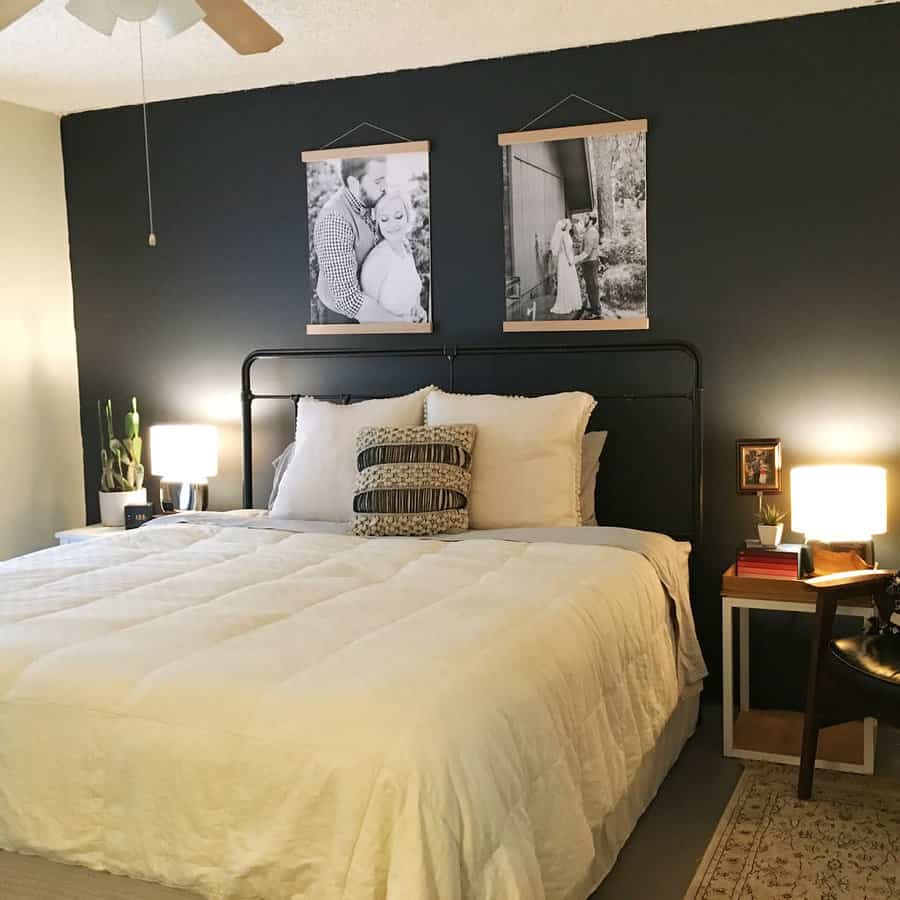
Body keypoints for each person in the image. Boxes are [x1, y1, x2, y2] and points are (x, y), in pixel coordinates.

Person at [312, 156, 403, 324]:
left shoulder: (372, 199)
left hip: (376, 309)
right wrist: (401, 323)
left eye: (385, 179)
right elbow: (349, 301)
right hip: (344, 320)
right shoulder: (335, 221)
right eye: (377, 181)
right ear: (354, 183)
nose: (384, 187)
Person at [360, 191, 426, 323]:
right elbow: (366, 318)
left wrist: (417, 308)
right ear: (378, 222)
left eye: (398, 216)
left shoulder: (405, 246)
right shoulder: (377, 260)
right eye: (384, 219)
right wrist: (404, 324)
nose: (392, 224)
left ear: (407, 216)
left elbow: (410, 292)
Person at [549, 219, 582, 316]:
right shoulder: (563, 235)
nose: (571, 225)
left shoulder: (567, 235)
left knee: (570, 280)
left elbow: (570, 249)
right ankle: (565, 303)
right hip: (565, 260)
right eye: (569, 224)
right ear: (566, 226)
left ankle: (571, 302)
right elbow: (566, 250)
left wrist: (572, 258)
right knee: (566, 280)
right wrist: (570, 261)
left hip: (567, 258)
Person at [576, 211, 602, 317]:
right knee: (590, 287)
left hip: (590, 263)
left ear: (591, 220)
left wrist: (575, 260)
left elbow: (587, 252)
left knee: (592, 287)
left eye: (586, 218)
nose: (584, 220)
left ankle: (596, 312)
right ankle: (593, 307)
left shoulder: (591, 232)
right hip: (588, 263)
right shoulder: (588, 231)